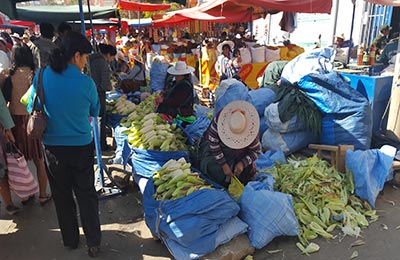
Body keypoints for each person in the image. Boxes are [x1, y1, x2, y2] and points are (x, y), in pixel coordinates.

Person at [27, 31, 101, 257]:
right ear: (76, 55)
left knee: (61, 194)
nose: (86, 61)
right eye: (85, 57)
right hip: (81, 146)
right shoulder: (85, 82)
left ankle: (70, 239)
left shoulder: (41, 75)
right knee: (86, 194)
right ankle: (93, 242)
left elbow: (32, 103)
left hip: (52, 148)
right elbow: (95, 111)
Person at [7, 44, 51, 206]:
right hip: (32, 121)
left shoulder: (8, 76)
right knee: (39, 160)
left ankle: (24, 195)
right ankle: (42, 194)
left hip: (14, 122)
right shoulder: (34, 75)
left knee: (19, 161)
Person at [197, 100, 261, 187]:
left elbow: (256, 151)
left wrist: (242, 163)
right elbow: (213, 143)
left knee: (244, 175)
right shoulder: (220, 120)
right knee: (213, 169)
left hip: (240, 155)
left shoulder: (251, 129)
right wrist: (224, 165)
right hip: (221, 149)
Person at [89, 43, 116, 151]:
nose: (111, 60)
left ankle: (94, 143)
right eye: (112, 57)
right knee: (100, 118)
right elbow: (105, 85)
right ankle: (101, 145)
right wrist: (110, 87)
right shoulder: (103, 63)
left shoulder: (91, 59)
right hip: (98, 94)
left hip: (89, 92)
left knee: (92, 119)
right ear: (108, 54)